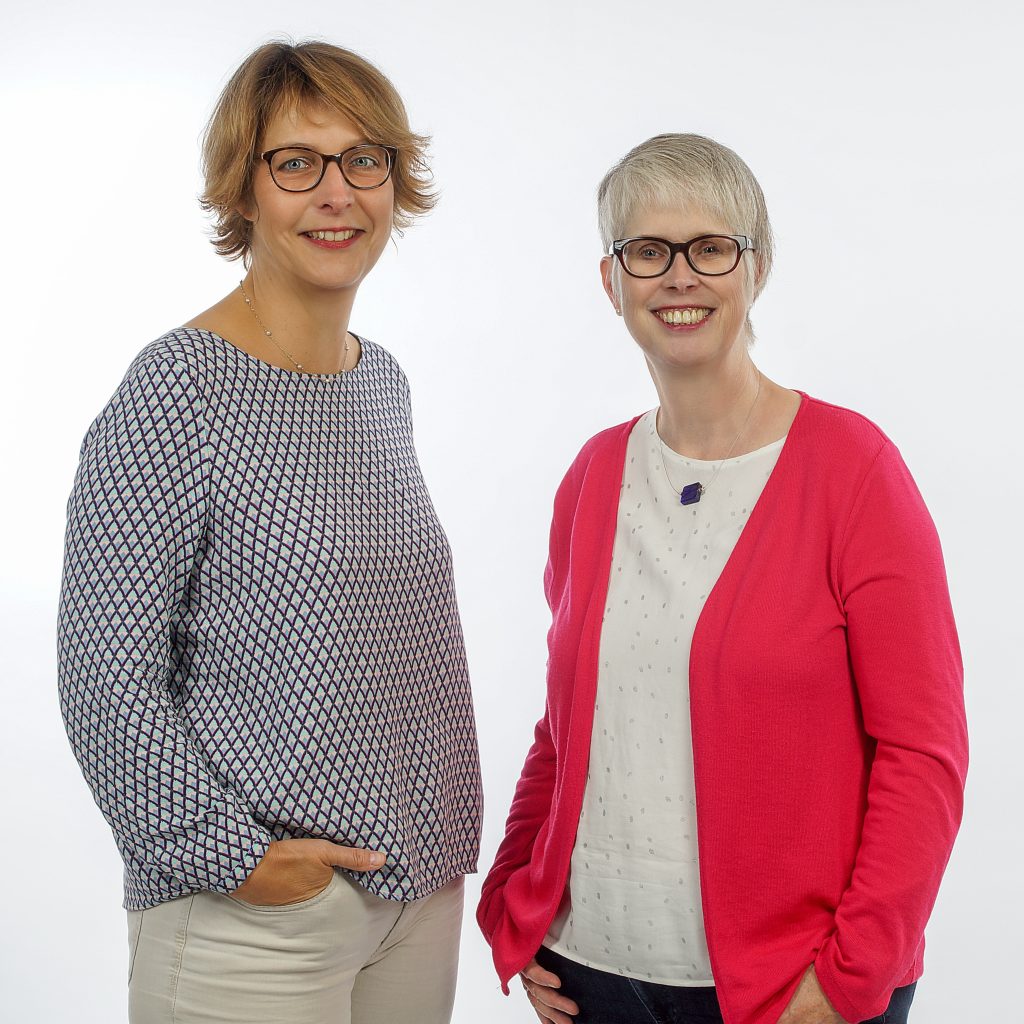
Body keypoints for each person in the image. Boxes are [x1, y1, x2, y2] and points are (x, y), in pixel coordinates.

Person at [477, 134, 967, 1024]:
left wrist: (849, 978)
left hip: (790, 991)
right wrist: (514, 901)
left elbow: (923, 756)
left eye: (711, 248)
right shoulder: (592, 477)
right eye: (647, 251)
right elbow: (565, 726)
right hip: (590, 976)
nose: (679, 277)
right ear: (611, 279)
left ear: (757, 268)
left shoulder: (853, 471)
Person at [57, 40, 481, 1024]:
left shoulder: (381, 382)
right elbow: (102, 675)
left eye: (361, 160)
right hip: (255, 920)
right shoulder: (176, 389)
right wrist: (237, 857)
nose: (336, 192)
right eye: (296, 162)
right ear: (241, 189)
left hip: (413, 895)